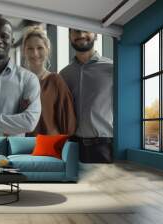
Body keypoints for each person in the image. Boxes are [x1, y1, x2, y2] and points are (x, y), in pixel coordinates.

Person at [60, 28, 113, 163]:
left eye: (86, 31)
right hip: (72, 145)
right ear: (69, 36)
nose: (81, 35)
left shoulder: (112, 68)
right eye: (76, 31)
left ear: (96, 35)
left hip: (104, 146)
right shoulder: (64, 74)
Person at [22, 26, 76, 136]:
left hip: (48, 148)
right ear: (24, 51)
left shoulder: (56, 81)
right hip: (20, 147)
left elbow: (68, 124)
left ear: (47, 50)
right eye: (30, 48)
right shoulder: (17, 82)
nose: (35, 53)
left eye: (40, 48)